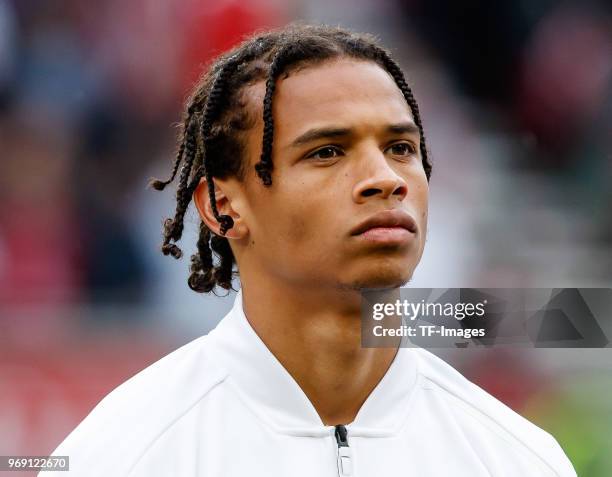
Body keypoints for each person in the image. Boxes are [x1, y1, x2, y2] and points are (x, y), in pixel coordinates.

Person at [43, 24, 576, 476]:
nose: (385, 179)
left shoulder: (518, 459)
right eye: (327, 152)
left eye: (401, 148)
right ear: (223, 207)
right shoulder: (123, 455)